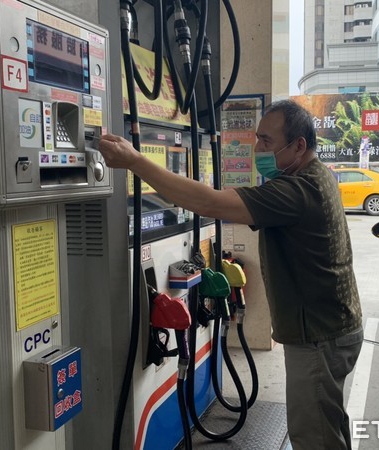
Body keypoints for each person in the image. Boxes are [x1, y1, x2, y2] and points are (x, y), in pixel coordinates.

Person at [98, 100, 363, 450]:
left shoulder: (299, 190)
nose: (258, 149)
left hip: (319, 335)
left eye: (267, 141)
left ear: (299, 145)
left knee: (314, 438)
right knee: (326, 424)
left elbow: (211, 204)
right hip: (333, 327)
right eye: (257, 139)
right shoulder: (318, 176)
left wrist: (136, 161)